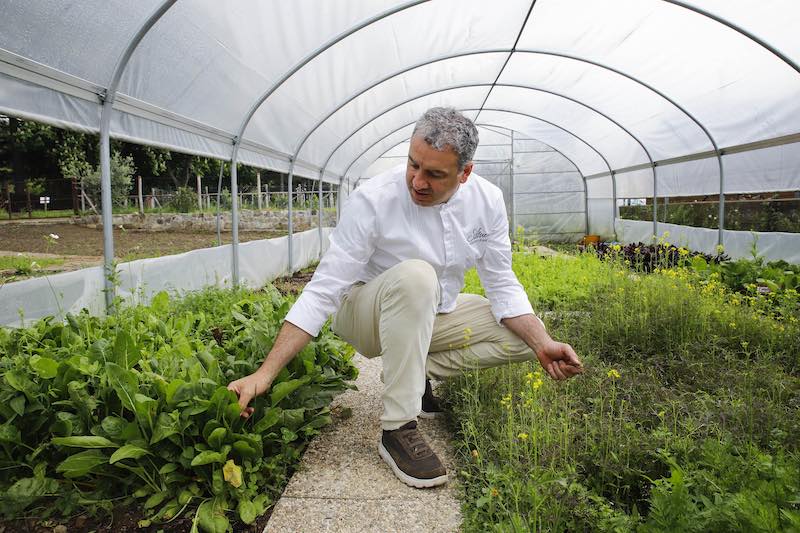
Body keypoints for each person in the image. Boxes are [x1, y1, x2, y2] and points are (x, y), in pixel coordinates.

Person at [227, 107, 583, 488]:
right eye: (413, 165)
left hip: (434, 311)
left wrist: (543, 344)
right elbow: (323, 289)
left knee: (528, 335)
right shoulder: (374, 199)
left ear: (465, 173)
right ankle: (397, 426)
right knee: (417, 275)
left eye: (434, 174)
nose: (417, 181)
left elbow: (502, 284)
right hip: (363, 314)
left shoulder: (488, 201)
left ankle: (416, 373)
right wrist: (265, 375)